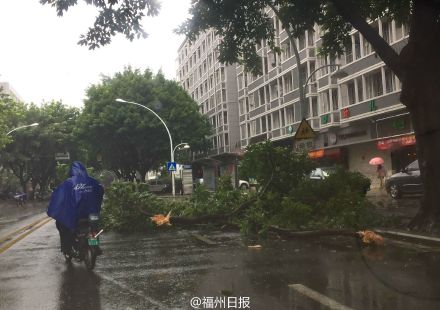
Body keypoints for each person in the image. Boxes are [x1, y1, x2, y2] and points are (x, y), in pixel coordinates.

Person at [47, 161, 104, 256]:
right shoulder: (93, 181)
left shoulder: (68, 183)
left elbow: (58, 197)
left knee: (62, 225)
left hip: (75, 215)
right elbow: (100, 192)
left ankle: (68, 249)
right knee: (94, 228)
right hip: (92, 214)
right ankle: (95, 245)